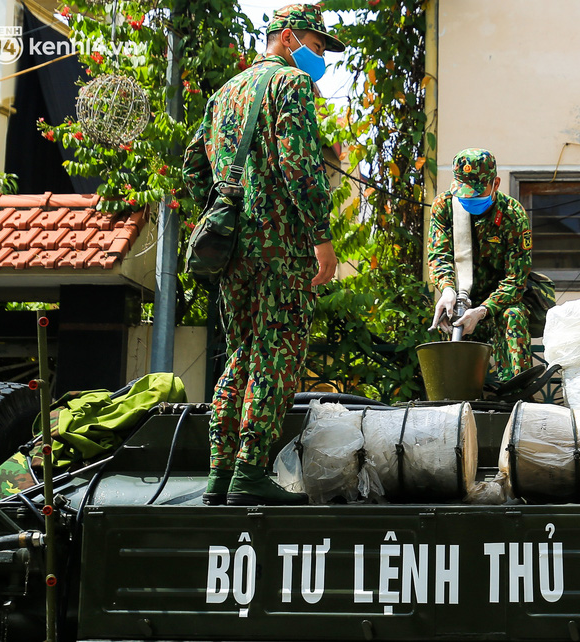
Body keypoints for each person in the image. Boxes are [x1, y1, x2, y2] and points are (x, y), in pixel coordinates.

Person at [183, 4, 343, 505]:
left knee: (242, 353)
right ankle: (250, 472)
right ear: (288, 38)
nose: (320, 60)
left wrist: (227, 214)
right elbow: (299, 165)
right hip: (282, 249)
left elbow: (193, 168)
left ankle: (220, 473)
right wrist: (321, 237)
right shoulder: (291, 84)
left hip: (234, 252)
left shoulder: (225, 93)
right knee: (276, 354)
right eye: (316, 47)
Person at [427, 148, 533, 383]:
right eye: (464, 192)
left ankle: (515, 389)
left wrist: (483, 310)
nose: (469, 198)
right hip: (461, 301)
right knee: (445, 321)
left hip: (499, 304)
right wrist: (447, 290)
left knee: (514, 316)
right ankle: (456, 391)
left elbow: (515, 280)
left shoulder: (512, 214)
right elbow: (439, 256)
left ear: (496, 184)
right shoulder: (444, 206)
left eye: (476, 192)